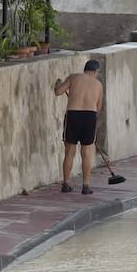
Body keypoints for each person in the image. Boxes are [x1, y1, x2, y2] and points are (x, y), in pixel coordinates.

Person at [53, 60, 124, 194]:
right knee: (86, 153)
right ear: (95, 71)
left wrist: (57, 84)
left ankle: (66, 183)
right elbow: (98, 107)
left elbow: (58, 92)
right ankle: (85, 186)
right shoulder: (98, 85)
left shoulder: (73, 77)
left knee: (69, 151)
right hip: (90, 117)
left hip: (73, 115)